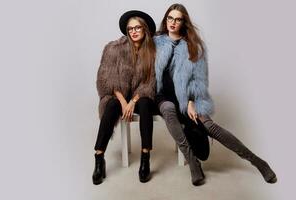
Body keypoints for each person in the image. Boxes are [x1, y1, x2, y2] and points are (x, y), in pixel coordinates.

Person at [154, 3, 277, 186]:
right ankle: (193, 165)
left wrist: (190, 101)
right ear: (165, 20)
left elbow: (198, 80)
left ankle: (258, 162)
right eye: (170, 18)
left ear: (184, 22)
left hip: (186, 98)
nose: (173, 22)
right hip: (163, 96)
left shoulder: (194, 46)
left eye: (178, 19)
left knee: (209, 126)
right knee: (169, 109)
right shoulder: (155, 42)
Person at [93, 10, 156, 185]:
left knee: (145, 104)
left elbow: (150, 83)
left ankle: (145, 157)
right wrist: (123, 101)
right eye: (130, 29)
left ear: (144, 30)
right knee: (111, 106)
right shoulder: (114, 49)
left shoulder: (152, 51)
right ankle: (99, 158)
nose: (134, 31)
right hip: (118, 95)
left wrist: (133, 101)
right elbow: (106, 79)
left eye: (137, 28)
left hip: (139, 96)